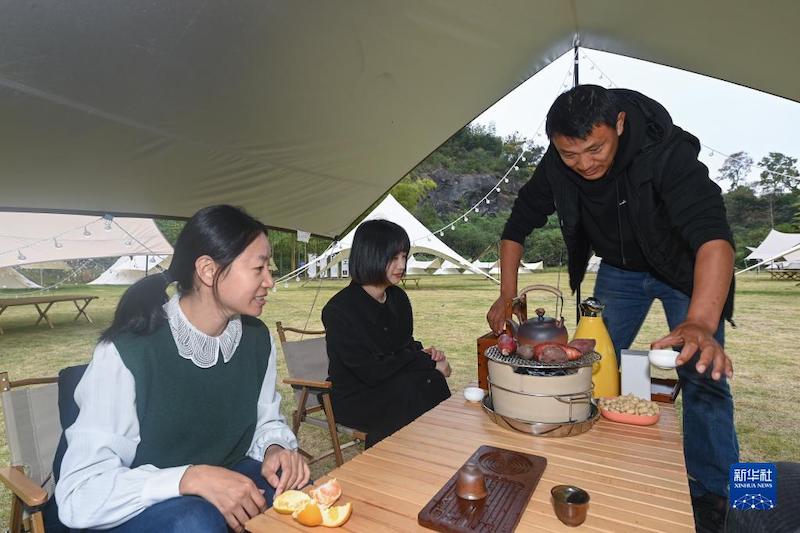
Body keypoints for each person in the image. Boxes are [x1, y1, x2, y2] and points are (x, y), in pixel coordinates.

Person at [486, 85, 738, 532]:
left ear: (619, 124)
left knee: (703, 378)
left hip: (686, 270)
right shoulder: (558, 163)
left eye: (595, 148)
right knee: (586, 365)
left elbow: (713, 236)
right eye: (570, 154)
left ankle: (718, 494)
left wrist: (699, 320)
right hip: (620, 272)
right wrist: (507, 294)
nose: (584, 164)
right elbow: (517, 224)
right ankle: (593, 467)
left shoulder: (667, 152)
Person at [56, 205, 310, 532]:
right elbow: (81, 493)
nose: (270, 282)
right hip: (140, 505)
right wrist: (190, 477)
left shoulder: (256, 339)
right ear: (207, 270)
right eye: (259, 268)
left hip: (225, 480)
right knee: (195, 523)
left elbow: (265, 420)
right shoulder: (127, 352)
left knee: (297, 493)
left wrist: (275, 446)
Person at [321, 219, 452, 448]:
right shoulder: (339, 310)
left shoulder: (398, 298)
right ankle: (394, 463)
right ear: (370, 255)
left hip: (392, 383)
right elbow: (371, 370)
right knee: (413, 387)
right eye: (393, 258)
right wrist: (426, 363)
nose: (401, 265)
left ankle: (438, 450)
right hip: (355, 395)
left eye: (404, 256)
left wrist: (429, 356)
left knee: (428, 382)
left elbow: (403, 345)